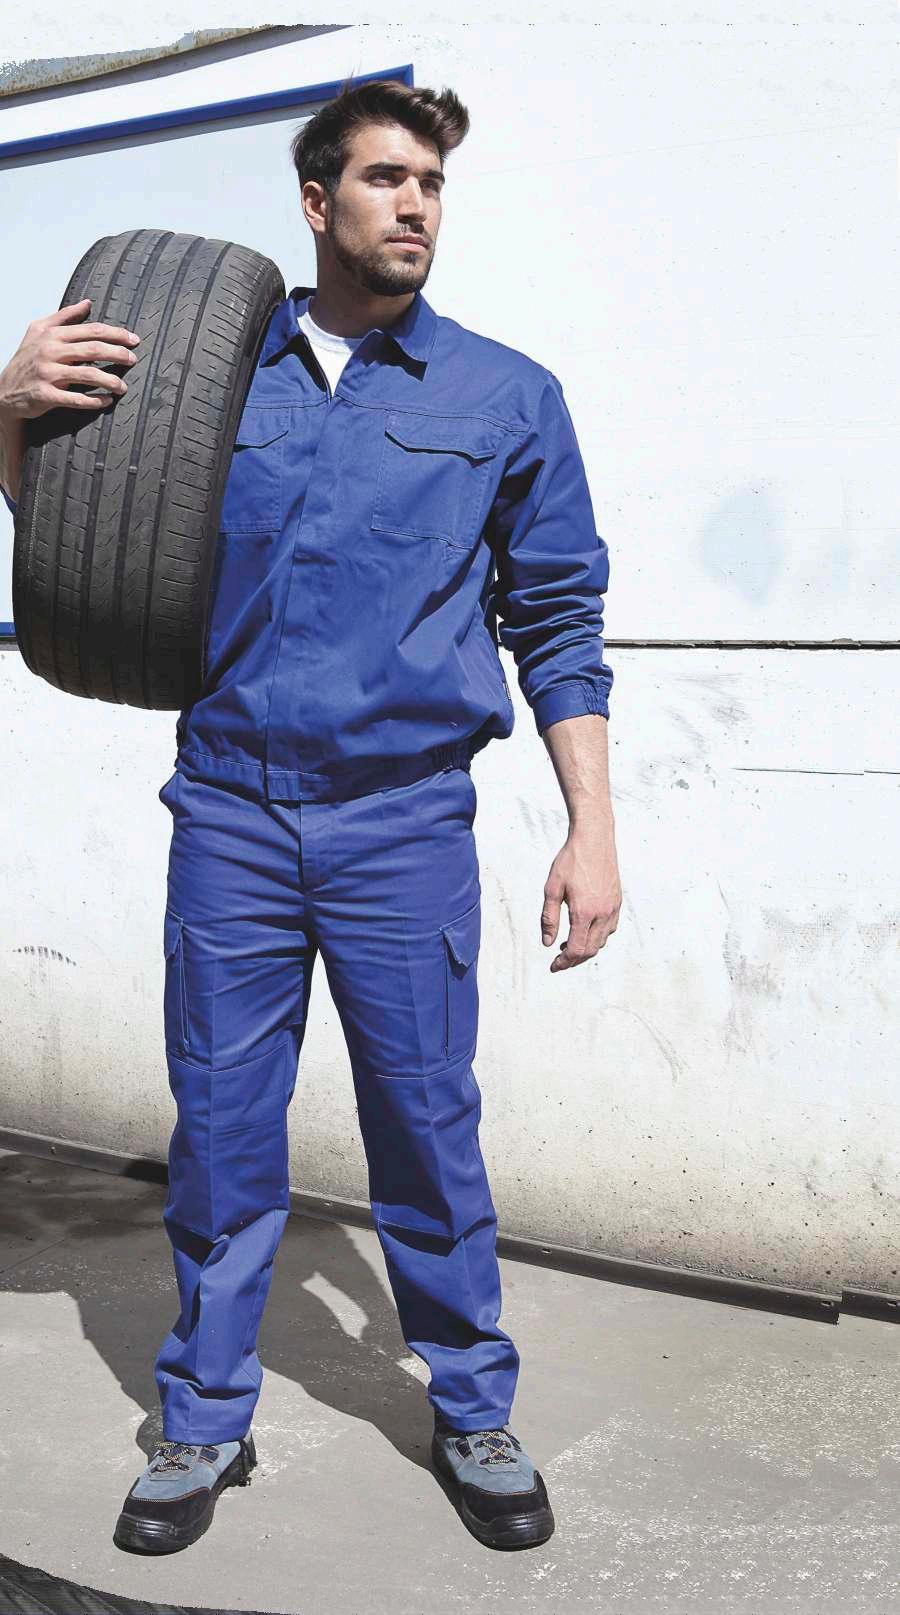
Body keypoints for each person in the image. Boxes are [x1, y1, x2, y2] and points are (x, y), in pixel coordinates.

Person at [0, 77, 622, 1555]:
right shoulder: (205, 379)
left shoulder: (504, 395)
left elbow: (560, 619)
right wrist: (5, 415)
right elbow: (93, 540)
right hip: (231, 815)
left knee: (427, 1130)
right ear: (314, 199)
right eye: (387, 178)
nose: (416, 205)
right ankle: (203, 1422)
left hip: (403, 822)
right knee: (221, 1130)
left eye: (432, 184)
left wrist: (592, 827)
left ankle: (472, 1407)